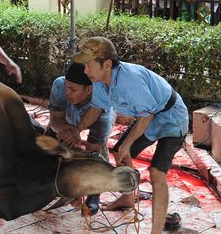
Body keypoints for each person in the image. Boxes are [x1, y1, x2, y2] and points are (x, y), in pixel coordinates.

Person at [72, 37, 188, 234]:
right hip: (150, 115)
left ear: (106, 64)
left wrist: (129, 143)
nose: (85, 71)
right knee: (120, 152)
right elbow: (96, 108)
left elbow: (147, 115)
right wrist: (77, 129)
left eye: (89, 65)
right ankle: (127, 197)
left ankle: (156, 231)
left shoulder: (129, 80)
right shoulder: (99, 80)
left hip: (171, 117)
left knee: (156, 172)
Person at [46, 62, 115, 215]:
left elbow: (93, 147)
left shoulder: (102, 105)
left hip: (97, 122)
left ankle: (94, 194)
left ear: (89, 89)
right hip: (67, 121)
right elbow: (55, 120)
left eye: (73, 90)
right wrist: (68, 131)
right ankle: (51, 183)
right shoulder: (60, 86)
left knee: (95, 158)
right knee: (45, 148)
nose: (67, 93)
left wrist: (80, 187)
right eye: (67, 87)